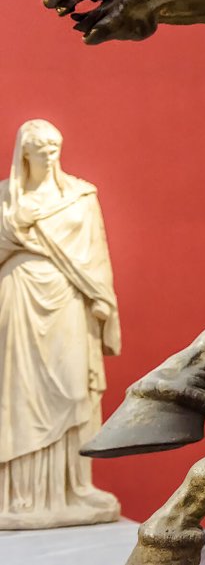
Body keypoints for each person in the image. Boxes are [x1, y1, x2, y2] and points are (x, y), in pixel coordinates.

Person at [0, 119, 121, 528]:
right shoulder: (5, 198)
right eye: (42, 148)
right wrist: (13, 226)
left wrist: (103, 299)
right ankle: (20, 494)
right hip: (18, 298)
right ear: (25, 154)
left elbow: (97, 254)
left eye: (55, 147)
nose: (51, 155)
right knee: (18, 395)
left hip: (69, 301)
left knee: (72, 389)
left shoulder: (81, 197)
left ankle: (74, 487)